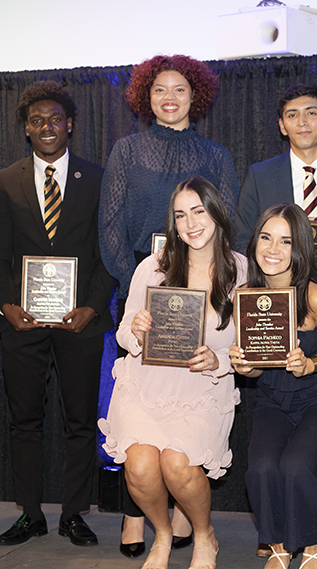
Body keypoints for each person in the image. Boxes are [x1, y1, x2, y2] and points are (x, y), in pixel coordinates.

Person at [98, 55, 239, 555]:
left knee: (178, 448)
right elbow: (110, 222)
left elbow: (227, 219)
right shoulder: (127, 149)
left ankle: (187, 514)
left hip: (205, 283)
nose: (170, 97)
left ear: (194, 95)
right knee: (137, 423)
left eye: (180, 89)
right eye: (160, 89)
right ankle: (135, 519)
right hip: (149, 283)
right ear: (146, 96)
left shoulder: (216, 154)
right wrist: (135, 285)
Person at [233, 83, 317, 560]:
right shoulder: (260, 174)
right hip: (271, 311)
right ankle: (285, 534)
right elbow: (246, 240)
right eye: (292, 114)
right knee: (273, 454)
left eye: (313, 113)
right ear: (281, 124)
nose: (303, 121)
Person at [0, 81, 116, 547]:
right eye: (38, 120)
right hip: (22, 322)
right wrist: (6, 305)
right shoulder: (5, 180)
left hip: (79, 321)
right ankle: (29, 513)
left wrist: (92, 305)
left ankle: (73, 514)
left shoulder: (98, 178)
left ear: (71, 125)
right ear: (26, 128)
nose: (47, 127)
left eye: (56, 119)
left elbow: (109, 254)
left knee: (81, 420)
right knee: (24, 421)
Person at [231, 203, 317, 569]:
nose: (273, 249)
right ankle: (279, 543)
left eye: (285, 241)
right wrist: (245, 367)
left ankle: (315, 543)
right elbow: (255, 370)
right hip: (274, 398)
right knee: (262, 467)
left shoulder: (316, 295)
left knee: (296, 467)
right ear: (254, 243)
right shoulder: (245, 296)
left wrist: (310, 363)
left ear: (299, 247)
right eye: (266, 238)